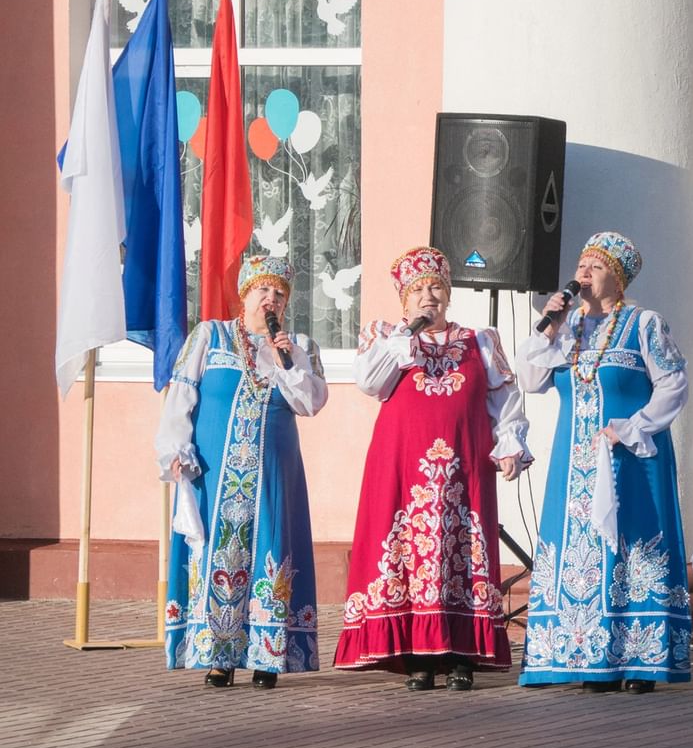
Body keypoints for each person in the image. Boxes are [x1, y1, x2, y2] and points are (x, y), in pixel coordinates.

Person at [333, 247, 530, 691]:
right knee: (407, 555)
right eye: (418, 289)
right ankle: (417, 658)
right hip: (402, 470)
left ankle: (461, 657)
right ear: (403, 300)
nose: (428, 296)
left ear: (449, 295)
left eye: (436, 287)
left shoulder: (480, 340)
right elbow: (370, 382)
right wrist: (404, 340)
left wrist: (510, 443)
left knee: (461, 554)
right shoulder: (385, 336)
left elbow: (507, 401)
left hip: (464, 468)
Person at [516, 231, 691, 693]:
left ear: (618, 277)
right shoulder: (567, 328)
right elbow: (531, 380)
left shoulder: (644, 323)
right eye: (581, 264)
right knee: (586, 550)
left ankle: (639, 659)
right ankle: (587, 654)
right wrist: (549, 326)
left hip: (630, 457)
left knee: (633, 547)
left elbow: (674, 384)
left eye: (596, 266)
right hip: (574, 463)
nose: (584, 273)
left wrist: (634, 426)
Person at [156, 255, 328, 688]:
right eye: (263, 291)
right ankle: (220, 655)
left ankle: (268, 656)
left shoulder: (299, 346)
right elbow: (181, 396)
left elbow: (310, 405)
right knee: (219, 550)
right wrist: (175, 450)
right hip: (215, 470)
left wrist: (286, 362)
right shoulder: (209, 337)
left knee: (271, 547)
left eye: (279, 295)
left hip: (273, 471)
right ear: (245, 295)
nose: (270, 300)